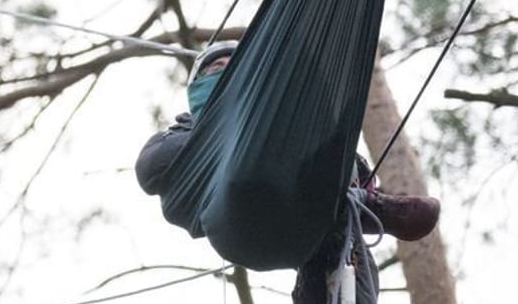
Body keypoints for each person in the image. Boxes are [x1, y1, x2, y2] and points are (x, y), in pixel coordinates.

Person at [135, 40, 441, 243]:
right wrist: (212, 140)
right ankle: (352, 208)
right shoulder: (178, 133)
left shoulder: (272, 118)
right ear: (198, 84)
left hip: (292, 203)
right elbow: (150, 169)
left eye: (234, 69)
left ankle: (358, 207)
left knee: (306, 138)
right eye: (216, 69)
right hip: (229, 216)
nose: (225, 73)